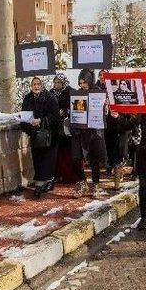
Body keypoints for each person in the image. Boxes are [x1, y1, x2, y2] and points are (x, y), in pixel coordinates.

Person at [20, 77, 60, 198]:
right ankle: (42, 182)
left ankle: (43, 182)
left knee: (47, 159)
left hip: (49, 135)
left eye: (38, 84)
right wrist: (26, 124)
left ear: (42, 86)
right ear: (31, 86)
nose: (36, 87)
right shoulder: (27, 98)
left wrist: (41, 120)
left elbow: (55, 116)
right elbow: (24, 115)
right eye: (34, 84)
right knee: (37, 159)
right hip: (35, 134)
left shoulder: (49, 97)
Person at [71, 69, 109, 198]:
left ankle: (96, 185)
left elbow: (103, 112)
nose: (83, 85)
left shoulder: (98, 92)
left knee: (95, 160)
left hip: (94, 131)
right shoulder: (78, 94)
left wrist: (105, 106)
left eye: (85, 82)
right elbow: (75, 112)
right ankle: (82, 182)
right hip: (80, 131)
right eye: (81, 82)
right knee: (76, 157)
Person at [49, 74, 78, 184]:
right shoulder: (51, 93)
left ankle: (69, 176)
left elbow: (76, 107)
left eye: (59, 82)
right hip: (55, 127)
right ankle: (57, 175)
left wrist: (65, 111)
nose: (57, 85)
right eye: (55, 82)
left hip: (67, 127)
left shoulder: (71, 91)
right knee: (57, 152)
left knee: (67, 152)